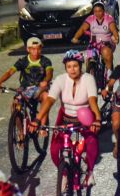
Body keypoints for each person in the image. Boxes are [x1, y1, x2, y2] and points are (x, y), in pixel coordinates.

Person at [30, 50, 101, 186]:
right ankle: (64, 174)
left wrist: (97, 119)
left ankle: (90, 172)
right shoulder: (60, 79)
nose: (72, 70)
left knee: (92, 141)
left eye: (75, 66)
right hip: (65, 117)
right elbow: (50, 100)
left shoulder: (88, 79)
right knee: (54, 149)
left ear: (80, 66)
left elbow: (92, 101)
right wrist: (37, 119)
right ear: (65, 68)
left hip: (86, 117)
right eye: (69, 66)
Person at [0, 37, 53, 111]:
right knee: (15, 105)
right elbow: (10, 72)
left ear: (41, 49)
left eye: (38, 49)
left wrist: (45, 81)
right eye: (33, 49)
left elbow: (49, 73)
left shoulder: (46, 61)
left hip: (40, 89)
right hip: (25, 88)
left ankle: (43, 121)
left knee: (46, 97)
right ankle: (16, 121)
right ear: (28, 49)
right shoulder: (22, 61)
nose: (36, 51)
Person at [71, 1, 119, 83]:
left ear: (103, 11)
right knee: (89, 57)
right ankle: (90, 72)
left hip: (106, 42)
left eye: (99, 11)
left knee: (106, 53)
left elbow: (114, 30)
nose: (97, 13)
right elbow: (82, 29)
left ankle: (109, 72)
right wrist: (75, 37)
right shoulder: (90, 18)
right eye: (95, 11)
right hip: (94, 42)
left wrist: (116, 38)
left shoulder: (109, 18)